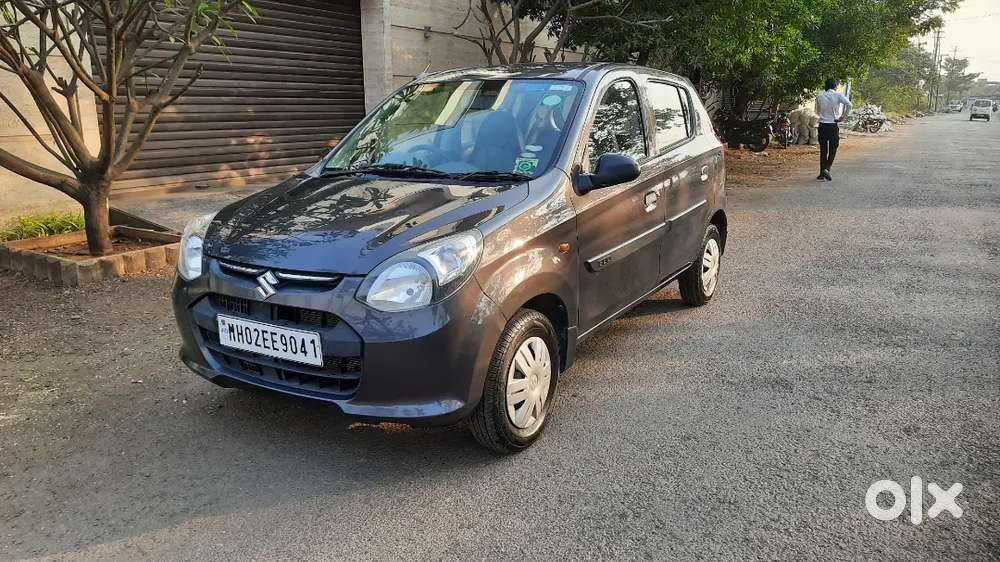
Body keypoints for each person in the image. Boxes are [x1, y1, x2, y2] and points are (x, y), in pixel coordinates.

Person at [814, 78, 852, 181]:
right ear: (835, 86)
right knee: (833, 148)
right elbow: (849, 104)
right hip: (833, 124)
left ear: (825, 86)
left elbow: (816, 111)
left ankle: (822, 172)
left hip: (822, 125)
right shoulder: (838, 95)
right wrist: (843, 117)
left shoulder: (819, 96)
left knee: (823, 149)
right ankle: (827, 168)